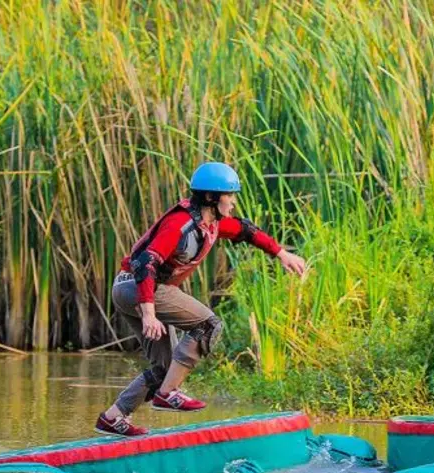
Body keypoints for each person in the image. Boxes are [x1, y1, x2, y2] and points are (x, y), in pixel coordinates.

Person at [95, 162, 306, 436]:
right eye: (229, 195)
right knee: (208, 324)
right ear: (210, 197)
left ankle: (113, 417)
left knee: (162, 368)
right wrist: (149, 313)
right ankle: (169, 393)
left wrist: (281, 253)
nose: (232, 202)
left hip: (133, 291)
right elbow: (146, 263)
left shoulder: (212, 223)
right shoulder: (179, 224)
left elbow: (247, 231)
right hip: (139, 287)